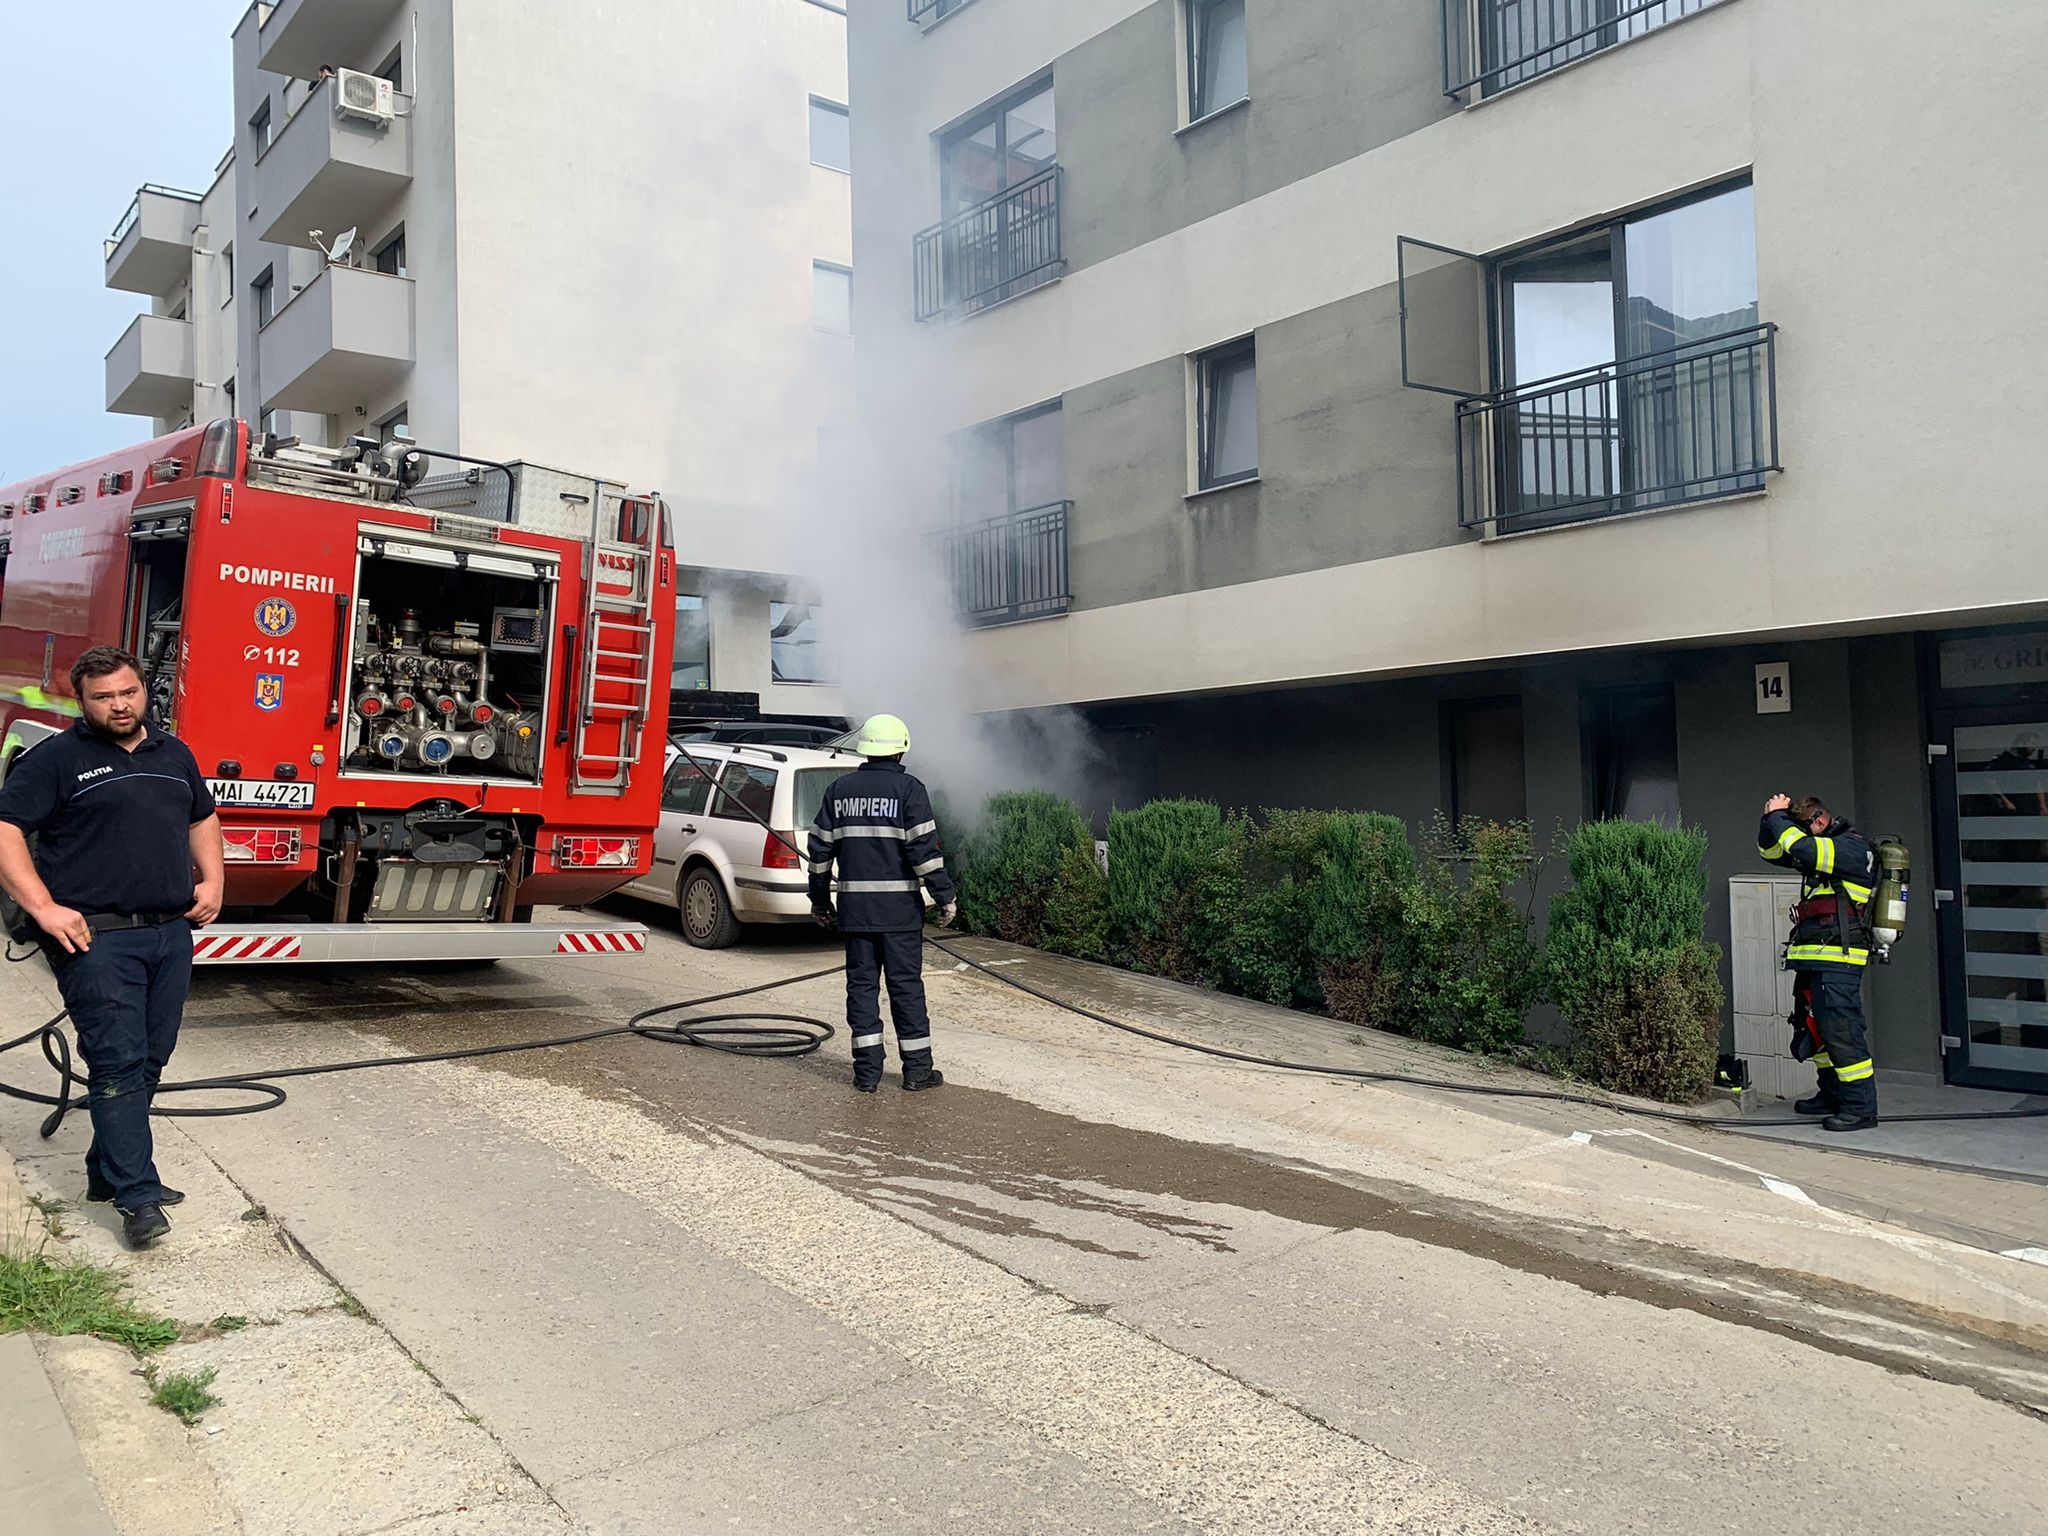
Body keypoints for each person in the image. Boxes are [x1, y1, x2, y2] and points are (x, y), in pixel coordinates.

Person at [0, 647, 224, 1245]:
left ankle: (107, 1171)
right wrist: (43, 908)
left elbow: (201, 817)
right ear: (83, 701)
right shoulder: (57, 760)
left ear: (143, 691)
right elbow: (6, 830)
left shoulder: (172, 753)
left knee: (152, 1057)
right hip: (95, 938)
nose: (119, 705)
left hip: (170, 931)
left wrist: (214, 879)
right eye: (104, 697)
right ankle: (138, 1196)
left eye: (127, 692)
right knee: (117, 1062)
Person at [806, 713, 956, 1093]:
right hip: (900, 914)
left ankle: (867, 1075)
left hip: (856, 913)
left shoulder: (838, 790)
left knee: (861, 988)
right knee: (905, 988)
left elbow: (820, 853)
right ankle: (917, 1072)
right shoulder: (909, 790)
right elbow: (925, 852)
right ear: (901, 748)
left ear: (865, 748)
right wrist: (944, 897)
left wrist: (820, 902)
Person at [1758, 792, 1878, 1131]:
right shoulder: (1819, 846)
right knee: (1816, 1027)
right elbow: (1771, 851)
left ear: (1820, 822)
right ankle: (1831, 1094)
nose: (1795, 837)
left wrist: (1779, 817)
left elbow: (1800, 847)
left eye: (1801, 830)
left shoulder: (1850, 849)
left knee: (1842, 1029)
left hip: (1839, 956)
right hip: (1815, 954)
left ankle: (1860, 1108)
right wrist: (1769, 820)